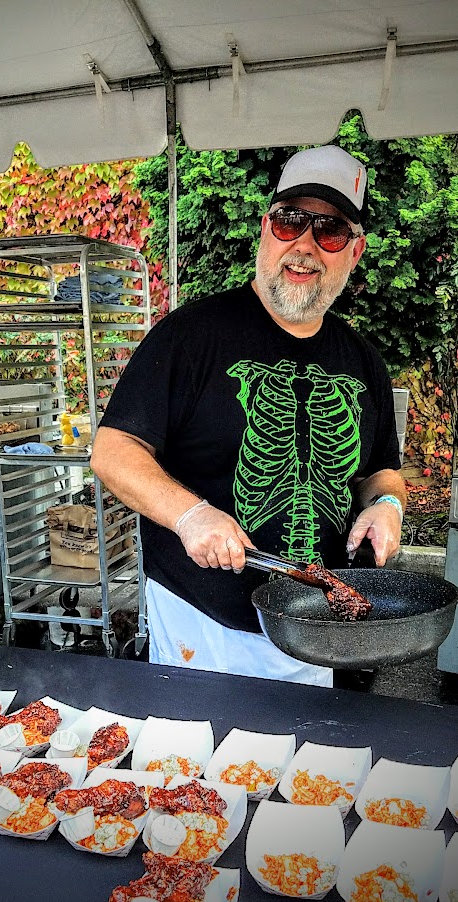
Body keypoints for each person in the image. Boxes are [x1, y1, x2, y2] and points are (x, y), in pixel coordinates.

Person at [91, 145, 406, 686]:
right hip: (206, 628)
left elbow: (381, 468)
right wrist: (191, 515)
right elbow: (114, 451)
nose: (304, 245)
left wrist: (387, 504)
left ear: (353, 253)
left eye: (329, 231)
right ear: (266, 229)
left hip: (318, 625)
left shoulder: (363, 360)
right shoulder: (191, 336)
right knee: (193, 766)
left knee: (315, 768)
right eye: (290, 222)